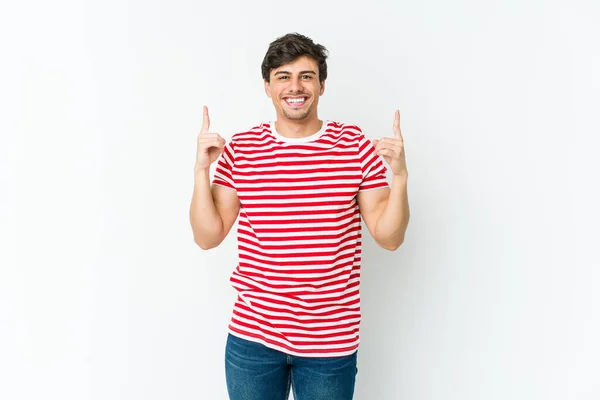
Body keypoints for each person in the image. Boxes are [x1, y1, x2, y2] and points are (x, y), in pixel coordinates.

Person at [189, 32, 410, 400]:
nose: (296, 86)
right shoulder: (242, 150)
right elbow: (207, 236)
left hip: (329, 341)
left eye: (306, 76)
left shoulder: (354, 146)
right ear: (267, 87)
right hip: (254, 338)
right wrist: (200, 171)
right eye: (283, 76)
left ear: (322, 86)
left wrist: (399, 177)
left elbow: (389, 238)